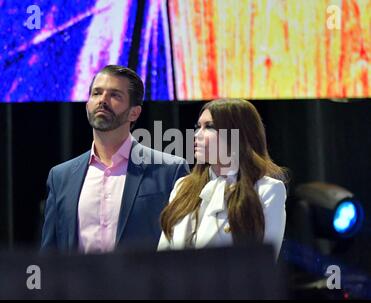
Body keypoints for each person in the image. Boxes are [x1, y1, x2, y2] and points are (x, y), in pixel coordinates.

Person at [41, 65, 189, 253]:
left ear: (134, 112)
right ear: (87, 105)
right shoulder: (60, 176)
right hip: (77, 282)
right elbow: (49, 253)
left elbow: (184, 248)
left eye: (115, 95)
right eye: (96, 93)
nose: (102, 100)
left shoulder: (169, 170)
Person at [158, 98, 287, 259]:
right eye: (198, 126)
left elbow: (262, 264)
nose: (197, 134)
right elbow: (162, 258)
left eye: (209, 127)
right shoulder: (182, 187)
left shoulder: (267, 190)